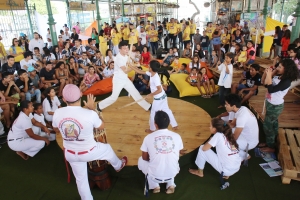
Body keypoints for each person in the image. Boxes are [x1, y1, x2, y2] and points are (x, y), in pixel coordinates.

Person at [52, 85, 127, 200]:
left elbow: (56, 129)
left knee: (81, 180)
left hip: (70, 154)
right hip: (89, 152)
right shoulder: (89, 114)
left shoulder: (57, 112)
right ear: (81, 95)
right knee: (107, 148)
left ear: (64, 99)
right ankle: (118, 165)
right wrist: (92, 109)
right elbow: (102, 126)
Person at [97, 41, 151, 112]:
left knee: (135, 93)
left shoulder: (126, 55)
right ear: (120, 49)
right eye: (124, 48)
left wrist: (133, 61)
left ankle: (148, 106)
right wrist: (134, 66)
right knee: (114, 97)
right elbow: (125, 70)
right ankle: (99, 105)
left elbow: (131, 62)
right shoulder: (118, 58)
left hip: (125, 79)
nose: (126, 49)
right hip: (118, 80)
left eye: (127, 48)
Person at [138, 110, 183, 194]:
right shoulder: (177, 136)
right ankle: (171, 185)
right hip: (172, 174)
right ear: (169, 122)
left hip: (154, 176)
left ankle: (155, 186)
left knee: (141, 160)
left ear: (155, 124)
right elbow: (178, 152)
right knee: (170, 159)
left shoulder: (148, 137)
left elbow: (145, 158)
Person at [189, 118, 240, 189]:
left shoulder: (218, 135)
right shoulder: (228, 135)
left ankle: (199, 172)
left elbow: (204, 149)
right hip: (236, 167)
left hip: (226, 170)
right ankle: (228, 174)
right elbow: (233, 150)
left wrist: (210, 140)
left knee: (201, 148)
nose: (209, 127)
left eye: (210, 126)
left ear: (214, 129)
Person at [260, 59, 298, 152]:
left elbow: (271, 90)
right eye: (278, 66)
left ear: (287, 69)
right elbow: (265, 84)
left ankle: (271, 146)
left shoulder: (286, 81)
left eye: (280, 67)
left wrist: (269, 75)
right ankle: (272, 141)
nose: (277, 68)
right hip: (270, 103)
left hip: (275, 106)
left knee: (268, 126)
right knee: (273, 124)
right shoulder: (279, 76)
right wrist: (268, 73)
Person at [130, 60, 178, 132]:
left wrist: (150, 94)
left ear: (151, 68)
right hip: (163, 97)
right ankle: (175, 125)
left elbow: (160, 90)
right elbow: (139, 71)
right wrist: (130, 66)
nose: (148, 66)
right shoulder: (151, 73)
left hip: (159, 99)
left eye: (149, 66)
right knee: (167, 110)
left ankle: (152, 129)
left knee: (153, 113)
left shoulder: (155, 78)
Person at [224, 94, 258, 160]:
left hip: (249, 142)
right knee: (226, 132)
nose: (225, 106)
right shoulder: (241, 109)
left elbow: (234, 138)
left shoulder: (241, 117)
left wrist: (223, 138)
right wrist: (222, 125)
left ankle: (244, 154)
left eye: (227, 104)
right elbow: (232, 125)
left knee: (227, 143)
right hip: (245, 135)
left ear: (233, 106)